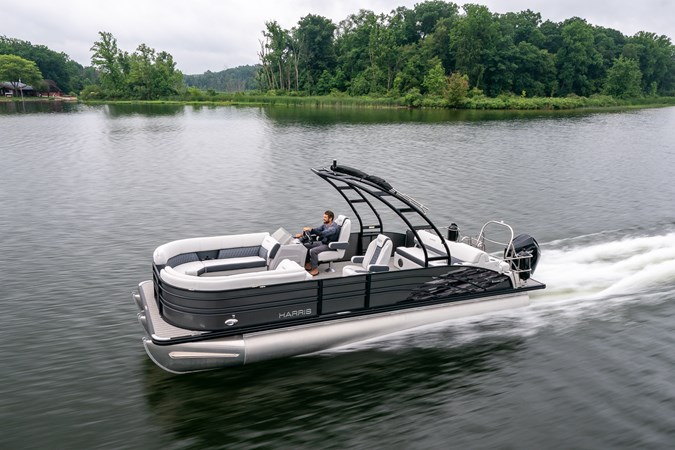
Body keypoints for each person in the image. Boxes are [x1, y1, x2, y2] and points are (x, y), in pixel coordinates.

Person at [295, 210, 340, 276]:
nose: (323, 218)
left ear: (330, 218)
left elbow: (322, 234)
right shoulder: (325, 225)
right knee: (305, 246)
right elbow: (317, 230)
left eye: (325, 217)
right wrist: (304, 233)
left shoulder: (333, 228)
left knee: (313, 251)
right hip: (323, 243)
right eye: (324, 217)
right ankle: (308, 264)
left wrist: (311, 230)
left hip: (330, 245)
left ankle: (315, 270)